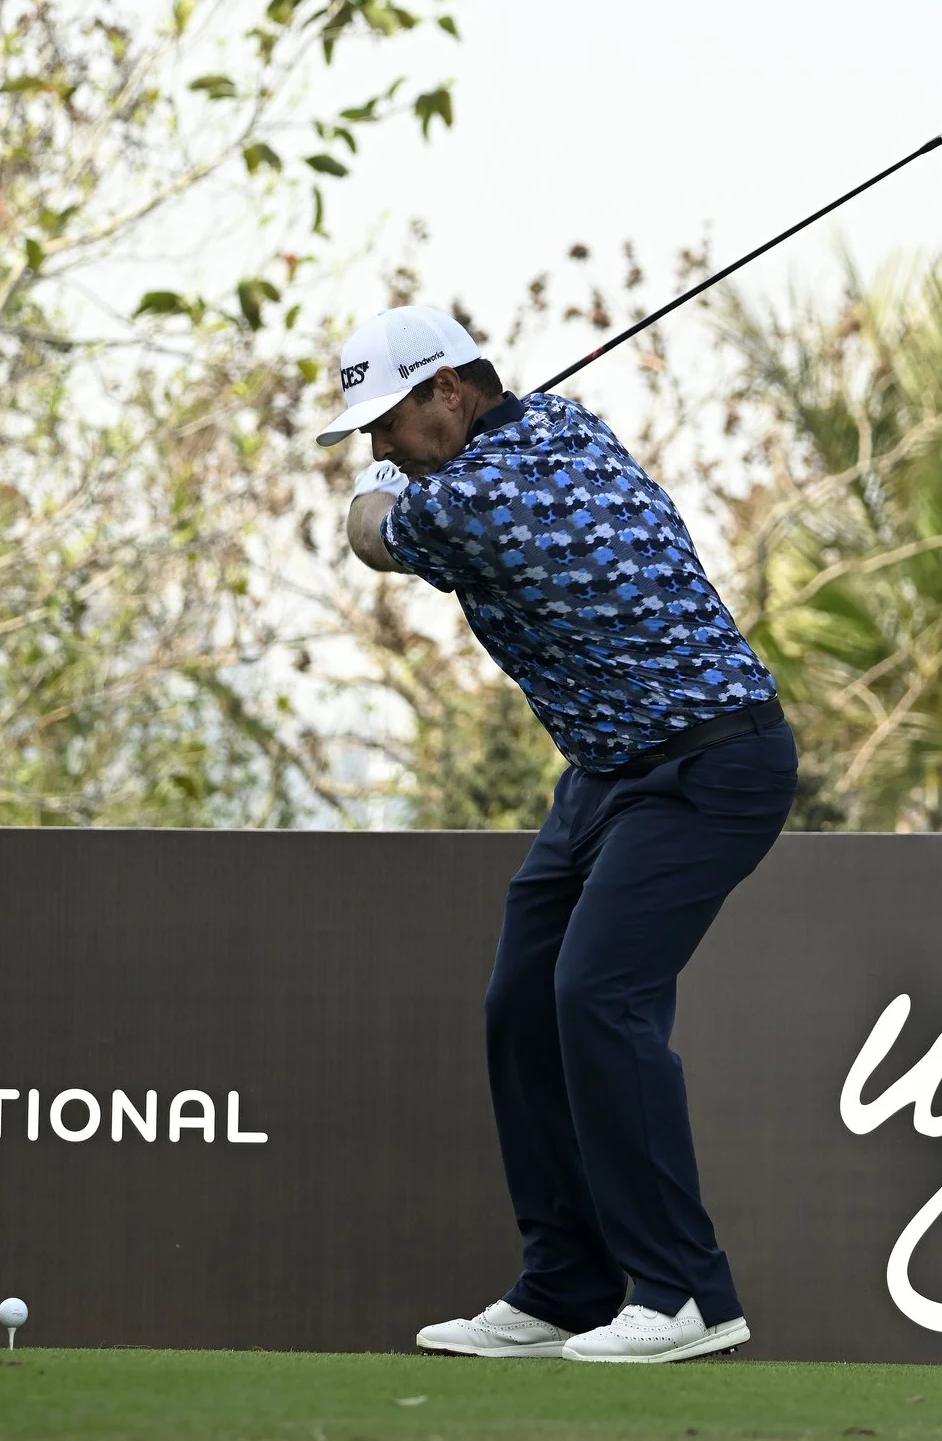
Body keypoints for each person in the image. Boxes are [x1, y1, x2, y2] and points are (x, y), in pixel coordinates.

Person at [319, 304, 797, 1365]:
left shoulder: (469, 498)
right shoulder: (567, 425)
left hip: (710, 763)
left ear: (449, 392)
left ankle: (685, 1292)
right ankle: (565, 1283)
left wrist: (385, 487)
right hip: (611, 771)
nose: (378, 445)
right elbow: (474, 458)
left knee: (598, 995)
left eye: (386, 423)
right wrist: (416, 464)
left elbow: (369, 538)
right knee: (523, 1001)